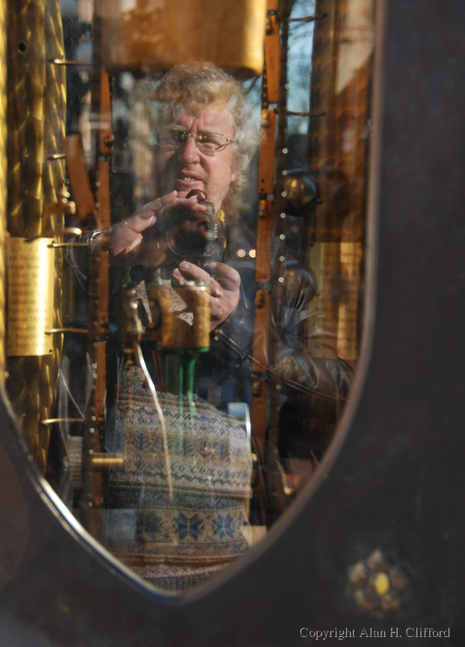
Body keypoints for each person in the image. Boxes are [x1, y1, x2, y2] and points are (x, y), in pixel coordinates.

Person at [101, 61, 353, 589]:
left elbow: (344, 385)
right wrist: (98, 263)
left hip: (249, 538)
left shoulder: (279, 272)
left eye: (210, 142)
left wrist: (239, 325)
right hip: (115, 539)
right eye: (176, 138)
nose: (189, 156)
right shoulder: (120, 245)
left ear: (237, 164)